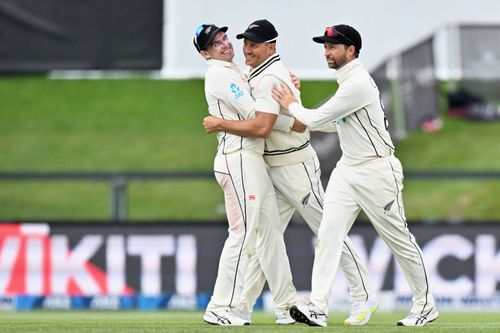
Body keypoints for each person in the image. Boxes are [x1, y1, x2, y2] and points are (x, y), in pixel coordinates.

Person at [203, 19, 378, 326]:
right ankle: (251, 306)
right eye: (245, 43)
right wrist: (299, 118)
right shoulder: (255, 74)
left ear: (271, 46)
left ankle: (363, 295)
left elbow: (269, 124)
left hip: (296, 166)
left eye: (254, 44)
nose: (247, 49)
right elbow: (274, 112)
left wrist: (302, 121)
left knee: (327, 231)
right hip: (270, 166)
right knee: (265, 240)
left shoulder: (272, 75)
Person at [272, 24, 439, 327]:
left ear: (351, 50)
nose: (327, 52)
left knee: (398, 240)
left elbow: (316, 117)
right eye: (325, 47)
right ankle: (318, 307)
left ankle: (425, 304)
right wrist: (295, 112)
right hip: (348, 170)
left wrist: (291, 104)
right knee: (328, 235)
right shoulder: (347, 84)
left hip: (377, 171)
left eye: (333, 47)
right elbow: (334, 124)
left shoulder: (357, 83)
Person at [193, 23, 296, 326]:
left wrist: (288, 96)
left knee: (269, 232)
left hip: (249, 158)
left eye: (224, 38)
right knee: (244, 233)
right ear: (205, 54)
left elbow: (262, 109)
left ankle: (283, 306)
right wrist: (294, 118)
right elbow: (258, 116)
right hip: (237, 158)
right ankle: (220, 305)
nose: (225, 44)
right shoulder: (219, 74)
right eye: (216, 44)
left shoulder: (235, 70)